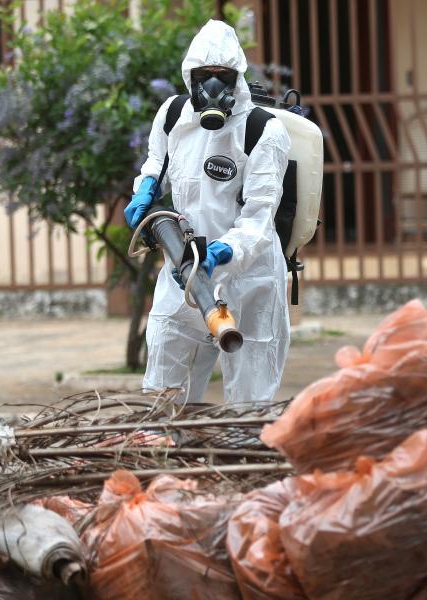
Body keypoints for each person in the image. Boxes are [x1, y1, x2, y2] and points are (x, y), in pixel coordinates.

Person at [125, 20, 291, 404]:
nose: (213, 86)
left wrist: (224, 252)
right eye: (204, 76)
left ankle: (244, 455)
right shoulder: (173, 116)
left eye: (223, 76)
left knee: (250, 398)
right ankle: (166, 453)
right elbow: (156, 165)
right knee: (165, 385)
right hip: (183, 267)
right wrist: (145, 191)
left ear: (238, 78)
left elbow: (260, 216)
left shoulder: (263, 131)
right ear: (189, 77)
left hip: (250, 279)